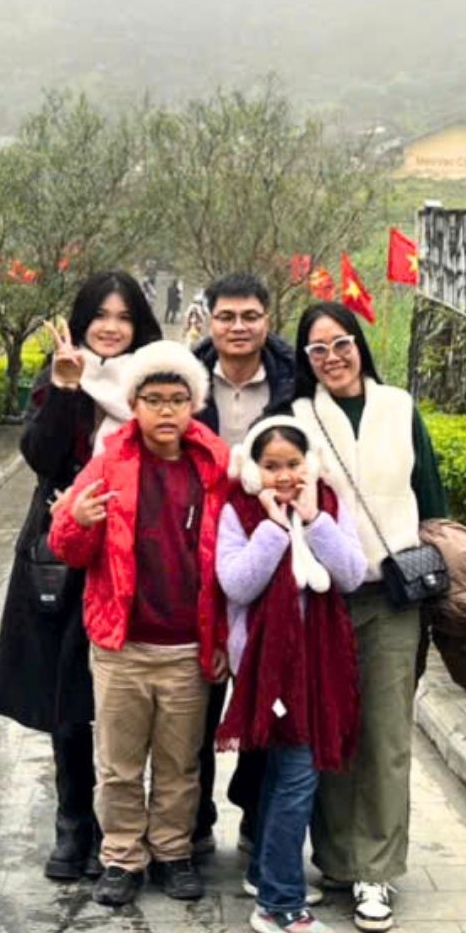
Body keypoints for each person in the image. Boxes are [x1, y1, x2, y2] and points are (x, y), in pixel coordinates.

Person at [0, 272, 163, 882]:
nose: (110, 328)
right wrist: (65, 387)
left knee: (139, 697)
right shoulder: (65, 371)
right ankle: (73, 822)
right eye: (99, 316)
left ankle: (146, 826)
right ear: (82, 320)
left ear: (139, 325)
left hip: (135, 558)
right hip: (65, 555)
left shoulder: (155, 381)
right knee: (69, 695)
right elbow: (39, 456)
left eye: (123, 317)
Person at [48, 340, 230, 908]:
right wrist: (75, 521)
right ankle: (122, 857)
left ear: (195, 404)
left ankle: (172, 853)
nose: (167, 411)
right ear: (135, 404)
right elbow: (67, 548)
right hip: (122, 646)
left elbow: (232, 558)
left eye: (179, 399)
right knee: (120, 765)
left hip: (187, 647)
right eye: (154, 399)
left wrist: (221, 639)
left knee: (180, 765)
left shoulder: (217, 465)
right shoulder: (109, 462)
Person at [289, 302, 448, 933]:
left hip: (391, 595)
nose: (332, 357)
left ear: (361, 343)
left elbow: (431, 499)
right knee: (332, 733)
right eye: (317, 350)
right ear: (305, 361)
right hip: (323, 598)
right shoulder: (298, 417)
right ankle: (335, 859)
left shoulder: (399, 408)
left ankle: (376, 869)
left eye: (341, 343)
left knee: (385, 735)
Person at [217, 417, 365, 933]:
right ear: (252, 469)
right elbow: (235, 582)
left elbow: (350, 573)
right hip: (268, 670)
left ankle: (266, 873)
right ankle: (280, 903)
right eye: (271, 466)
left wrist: (313, 520)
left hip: (320, 665)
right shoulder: (238, 510)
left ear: (311, 464)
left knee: (286, 775)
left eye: (293, 464)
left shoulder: (327, 502)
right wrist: (275, 529)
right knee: (296, 777)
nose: (284, 476)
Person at [191, 273, 300, 854]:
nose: (239, 327)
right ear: (210, 320)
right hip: (201, 554)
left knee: (268, 695)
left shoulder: (292, 382)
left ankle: (257, 814)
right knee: (200, 700)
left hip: (274, 552)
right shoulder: (185, 383)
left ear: (267, 317)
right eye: (227, 316)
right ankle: (195, 821)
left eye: (250, 315)